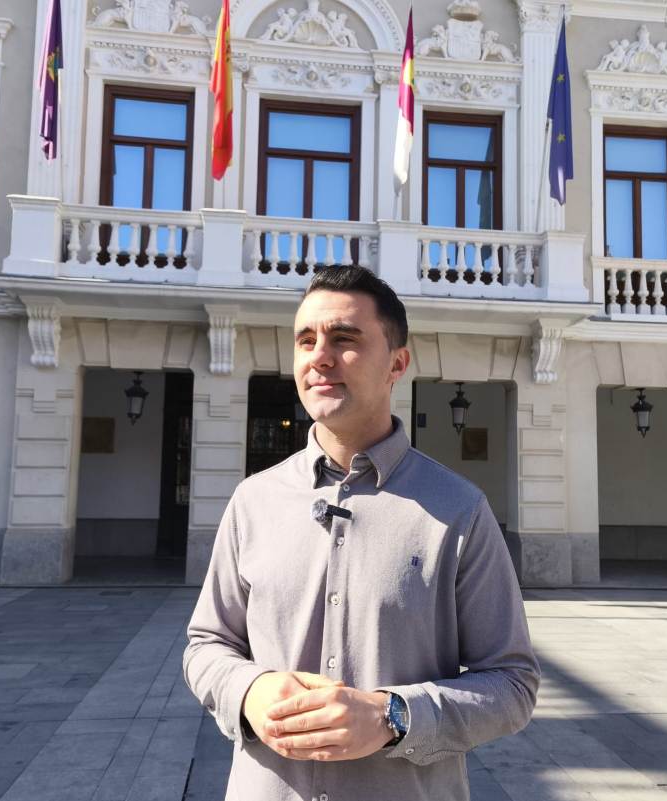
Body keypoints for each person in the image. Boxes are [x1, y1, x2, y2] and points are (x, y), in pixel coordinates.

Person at [183, 265, 540, 801]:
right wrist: (249, 691)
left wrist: (393, 715)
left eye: (344, 339)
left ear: (397, 363)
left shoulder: (459, 511)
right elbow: (206, 645)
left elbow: (512, 685)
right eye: (306, 340)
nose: (319, 356)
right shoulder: (253, 501)